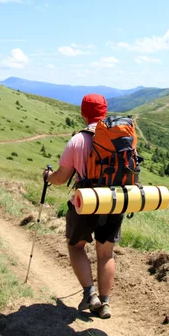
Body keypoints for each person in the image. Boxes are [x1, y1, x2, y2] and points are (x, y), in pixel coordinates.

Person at [42, 93, 123, 319]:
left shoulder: (78, 140)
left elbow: (60, 178)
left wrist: (47, 176)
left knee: (76, 246)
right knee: (106, 253)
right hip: (114, 201)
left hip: (85, 203)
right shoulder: (120, 136)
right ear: (105, 111)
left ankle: (90, 295)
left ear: (83, 112)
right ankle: (104, 303)